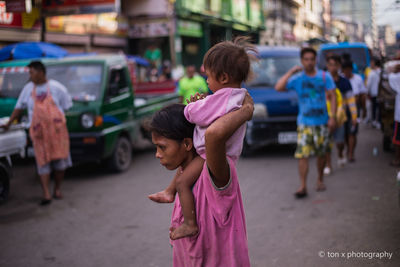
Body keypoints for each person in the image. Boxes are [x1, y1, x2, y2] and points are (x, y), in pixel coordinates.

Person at [149, 37, 256, 240]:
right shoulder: (238, 96)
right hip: (211, 153)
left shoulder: (225, 98)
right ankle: (169, 191)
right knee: (184, 173)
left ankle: (190, 224)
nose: (206, 81)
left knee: (183, 183)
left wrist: (190, 108)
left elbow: (199, 117)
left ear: (223, 77)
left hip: (210, 155)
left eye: (208, 77)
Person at [150, 94, 253, 266]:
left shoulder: (214, 172)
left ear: (187, 144)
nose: (157, 154)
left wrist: (246, 110)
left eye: (162, 147)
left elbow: (214, 134)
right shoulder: (184, 176)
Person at [1, 61, 72, 206]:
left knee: (60, 163)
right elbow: (18, 108)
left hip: (57, 133)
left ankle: (57, 189)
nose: (30, 75)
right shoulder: (28, 89)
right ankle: (46, 193)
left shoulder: (57, 88)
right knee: (42, 163)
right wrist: (8, 124)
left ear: (41, 72)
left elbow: (66, 107)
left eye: (31, 72)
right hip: (39, 133)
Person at [275, 47, 337, 198]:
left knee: (321, 154)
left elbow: (333, 96)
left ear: (316, 60)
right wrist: (291, 72)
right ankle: (303, 186)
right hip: (304, 123)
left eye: (312, 59)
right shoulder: (298, 79)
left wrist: (332, 117)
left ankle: (320, 179)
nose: (309, 62)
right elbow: (279, 87)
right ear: (302, 61)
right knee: (303, 155)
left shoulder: (324, 77)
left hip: (321, 122)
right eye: (306, 59)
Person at [324, 55, 358, 173]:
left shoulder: (344, 82)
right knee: (326, 142)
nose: (332, 67)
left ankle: (340, 153)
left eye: (335, 65)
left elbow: (351, 100)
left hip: (340, 117)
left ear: (339, 66)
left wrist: (354, 116)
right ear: (327, 66)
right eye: (330, 65)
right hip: (325, 117)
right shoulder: (322, 81)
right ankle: (328, 165)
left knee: (340, 142)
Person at [342, 61, 366, 162]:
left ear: (351, 69)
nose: (347, 72)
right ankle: (348, 149)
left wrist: (364, 109)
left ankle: (351, 153)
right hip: (343, 109)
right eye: (345, 70)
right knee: (345, 134)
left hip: (354, 108)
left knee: (352, 132)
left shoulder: (358, 79)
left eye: (349, 70)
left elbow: (362, 95)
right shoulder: (341, 79)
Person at [388, 64, 400, 168]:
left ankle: (397, 159)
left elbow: (390, 75)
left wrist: (395, 69)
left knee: (397, 139)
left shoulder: (396, 77)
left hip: (399, 115)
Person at [366, 58, 382, 128]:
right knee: (380, 108)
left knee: (374, 108)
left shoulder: (371, 73)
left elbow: (368, 85)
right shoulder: (382, 72)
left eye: (371, 62)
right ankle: (378, 121)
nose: (370, 64)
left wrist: (367, 92)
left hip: (374, 93)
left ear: (375, 63)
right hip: (381, 94)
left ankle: (374, 121)